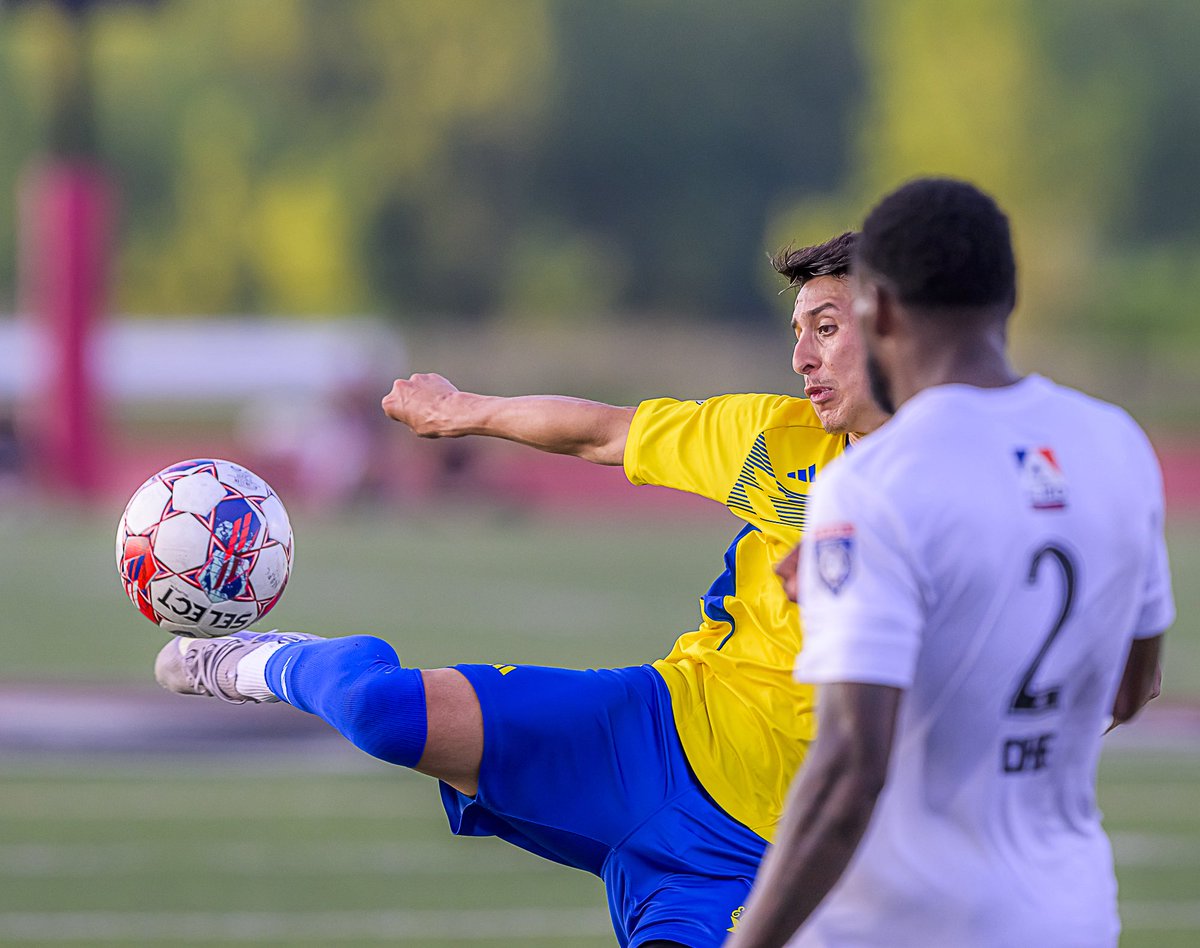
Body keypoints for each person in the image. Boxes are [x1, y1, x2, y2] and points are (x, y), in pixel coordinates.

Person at [153, 232, 888, 948]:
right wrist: (463, 411)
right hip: (646, 730)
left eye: (825, 329)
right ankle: (258, 663)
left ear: (896, 326)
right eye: (798, 331)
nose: (801, 358)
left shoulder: (967, 494)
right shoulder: (775, 438)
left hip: (750, 859)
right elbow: (605, 433)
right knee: (381, 710)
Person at [730, 178, 1174, 948]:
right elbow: (1133, 688)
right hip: (1070, 916)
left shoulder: (872, 482)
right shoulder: (1117, 445)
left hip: (902, 923)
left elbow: (848, 772)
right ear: (1007, 297)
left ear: (881, 310)